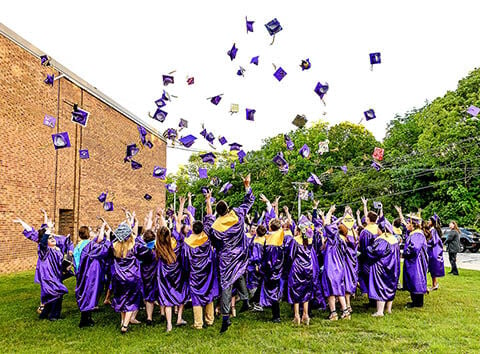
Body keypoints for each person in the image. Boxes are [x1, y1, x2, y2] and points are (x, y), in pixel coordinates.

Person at [203, 174, 254, 333]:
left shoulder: (215, 227)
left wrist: (207, 202)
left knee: (226, 285)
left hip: (225, 257)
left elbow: (208, 223)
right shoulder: (237, 214)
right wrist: (247, 185)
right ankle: (246, 299)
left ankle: (226, 317)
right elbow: (248, 202)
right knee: (238, 274)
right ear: (228, 209)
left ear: (219, 212)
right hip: (239, 253)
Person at [13, 218, 68, 321]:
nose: (52, 239)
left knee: (50, 297)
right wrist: (49, 229)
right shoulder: (44, 250)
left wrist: (66, 266)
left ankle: (44, 314)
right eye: (49, 238)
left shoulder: (57, 250)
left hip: (55, 276)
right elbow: (40, 239)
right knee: (57, 294)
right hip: (48, 277)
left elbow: (60, 263)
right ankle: (54, 316)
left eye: (53, 237)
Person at [110, 213, 152, 334]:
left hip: (118, 277)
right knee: (131, 300)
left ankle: (123, 321)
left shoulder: (114, 247)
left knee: (121, 299)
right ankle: (125, 325)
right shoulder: (135, 247)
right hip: (132, 277)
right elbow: (148, 253)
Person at [182, 207, 219, 330]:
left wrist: (187, 272)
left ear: (192, 229)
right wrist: (208, 201)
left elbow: (185, 260)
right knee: (208, 293)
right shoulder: (206, 237)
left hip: (195, 273)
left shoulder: (187, 243)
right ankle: (210, 319)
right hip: (207, 271)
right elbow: (209, 217)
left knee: (196, 297)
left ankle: (198, 323)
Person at [155, 203, 189, 332]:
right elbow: (179, 222)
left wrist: (160, 216)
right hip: (178, 273)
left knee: (167, 299)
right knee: (180, 294)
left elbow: (163, 230)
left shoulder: (159, 247)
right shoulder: (176, 241)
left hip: (164, 274)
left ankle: (169, 324)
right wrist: (180, 205)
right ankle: (179, 317)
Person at [75, 222, 111, 327]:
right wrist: (106, 235)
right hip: (88, 274)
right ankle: (84, 321)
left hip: (83, 273)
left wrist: (104, 230)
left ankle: (88, 318)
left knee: (88, 295)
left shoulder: (82, 244)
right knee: (88, 295)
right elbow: (103, 249)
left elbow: (98, 240)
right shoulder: (89, 246)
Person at [287, 217, 319, 325]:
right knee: (306, 291)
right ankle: (306, 315)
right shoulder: (310, 240)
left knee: (296, 291)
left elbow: (291, 255)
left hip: (297, 268)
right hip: (308, 268)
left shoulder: (295, 240)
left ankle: (297, 315)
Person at [366, 218, 401, 317]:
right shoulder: (394, 238)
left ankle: (380, 311)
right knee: (390, 286)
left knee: (381, 287)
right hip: (393, 266)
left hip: (382, 267)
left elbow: (375, 252)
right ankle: (388, 309)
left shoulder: (382, 239)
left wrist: (368, 247)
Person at [395, 207, 428, 308]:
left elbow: (414, 248)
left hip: (415, 261)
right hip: (414, 260)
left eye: (409, 223)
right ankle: (415, 300)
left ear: (413, 225)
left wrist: (405, 254)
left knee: (416, 280)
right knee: (413, 279)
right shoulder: (414, 233)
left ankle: (417, 302)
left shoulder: (417, 234)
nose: (407, 225)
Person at [321, 206, 350, 320]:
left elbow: (327, 225)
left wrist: (329, 212)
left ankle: (333, 313)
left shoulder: (334, 240)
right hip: (340, 268)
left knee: (331, 291)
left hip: (331, 268)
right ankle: (346, 312)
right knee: (340, 291)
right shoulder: (343, 240)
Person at [259, 218, 285, 323]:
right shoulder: (280, 236)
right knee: (275, 291)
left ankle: (276, 316)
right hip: (279, 268)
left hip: (272, 270)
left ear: (270, 227)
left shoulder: (271, 241)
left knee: (273, 292)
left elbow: (269, 259)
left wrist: (265, 269)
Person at [358, 198, 379, 300]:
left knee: (366, 276)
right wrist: (365, 205)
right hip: (377, 258)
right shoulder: (378, 228)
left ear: (368, 219)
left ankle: (369, 296)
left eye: (366, 217)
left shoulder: (365, 232)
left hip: (367, 259)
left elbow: (363, 247)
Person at [426, 216, 445, 290]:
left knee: (432, 268)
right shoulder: (433, 230)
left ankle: (434, 285)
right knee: (432, 268)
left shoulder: (433, 230)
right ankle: (434, 284)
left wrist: (425, 243)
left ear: (433, 222)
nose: (428, 221)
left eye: (429, 220)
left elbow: (433, 241)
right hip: (434, 251)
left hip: (433, 251)